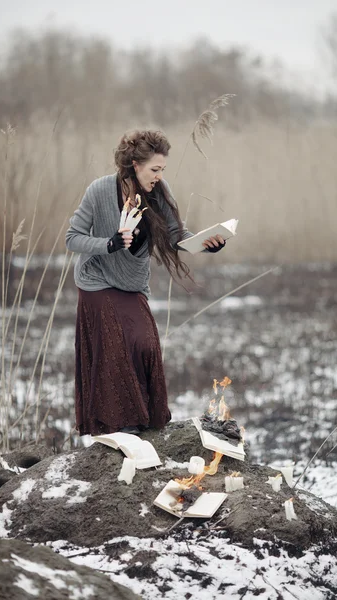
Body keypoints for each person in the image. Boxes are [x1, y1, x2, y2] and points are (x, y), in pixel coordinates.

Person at [65, 129, 226, 437]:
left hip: (132, 282)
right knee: (115, 345)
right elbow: (72, 239)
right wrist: (108, 244)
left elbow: (178, 236)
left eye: (162, 169)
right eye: (155, 169)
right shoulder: (99, 190)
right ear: (135, 165)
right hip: (96, 279)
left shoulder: (160, 192)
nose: (159, 175)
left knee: (145, 343)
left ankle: (142, 419)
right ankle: (118, 425)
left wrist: (206, 243)